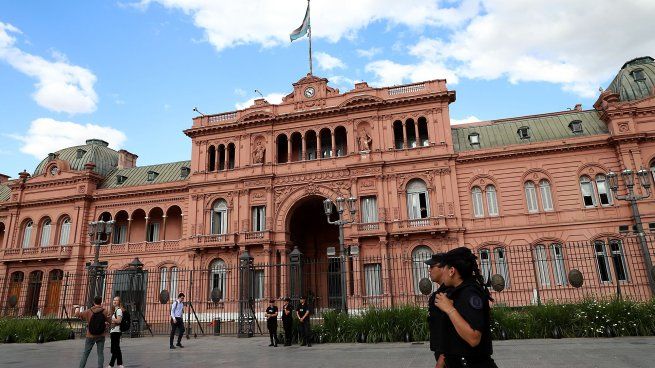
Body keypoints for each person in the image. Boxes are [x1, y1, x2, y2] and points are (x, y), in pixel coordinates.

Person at [434, 247, 497, 368]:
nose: (442, 272)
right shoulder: (457, 292)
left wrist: (449, 309)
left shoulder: (470, 293)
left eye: (444, 268)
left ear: (452, 271)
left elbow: (474, 338)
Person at [74, 296, 111, 368]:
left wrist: (77, 307)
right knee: (100, 354)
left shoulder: (88, 311)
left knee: (85, 354)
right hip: (101, 335)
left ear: (94, 302)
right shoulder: (105, 311)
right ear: (101, 302)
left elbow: (77, 314)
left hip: (90, 335)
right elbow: (110, 322)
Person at [424, 253, 447, 368]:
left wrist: (442, 358)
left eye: (432, 267)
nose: (429, 270)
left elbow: (449, 329)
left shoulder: (446, 294)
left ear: (444, 268)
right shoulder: (440, 292)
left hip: (448, 356)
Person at [108, 296, 124, 368]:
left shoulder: (119, 310)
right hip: (113, 331)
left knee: (115, 348)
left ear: (119, 302)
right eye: (114, 300)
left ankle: (111, 364)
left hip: (116, 331)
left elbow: (119, 320)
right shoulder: (115, 310)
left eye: (116, 300)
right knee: (116, 348)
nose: (114, 301)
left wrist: (112, 318)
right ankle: (120, 364)